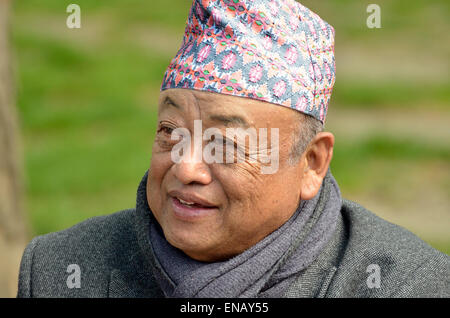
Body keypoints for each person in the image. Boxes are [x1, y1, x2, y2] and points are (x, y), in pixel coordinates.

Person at [17, 0, 449, 298]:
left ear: (312, 163)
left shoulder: (408, 283)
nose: (185, 168)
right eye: (171, 131)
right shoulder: (62, 268)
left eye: (224, 145)